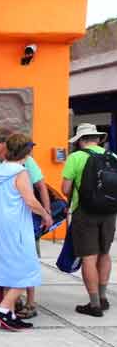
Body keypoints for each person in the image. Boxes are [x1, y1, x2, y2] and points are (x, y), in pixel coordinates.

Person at [0, 134, 52, 330]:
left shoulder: (0, 169)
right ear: (26, 151)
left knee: (8, 270)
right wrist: (45, 215)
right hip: (17, 226)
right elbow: (30, 201)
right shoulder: (20, 172)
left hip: (1, 227)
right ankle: (3, 308)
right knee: (27, 270)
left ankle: (10, 315)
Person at [62, 123, 116, 317]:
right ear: (97, 138)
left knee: (89, 257)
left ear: (81, 140)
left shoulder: (75, 157)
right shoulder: (112, 157)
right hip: (109, 213)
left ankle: (93, 305)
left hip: (84, 213)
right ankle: (103, 298)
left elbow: (66, 189)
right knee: (105, 254)